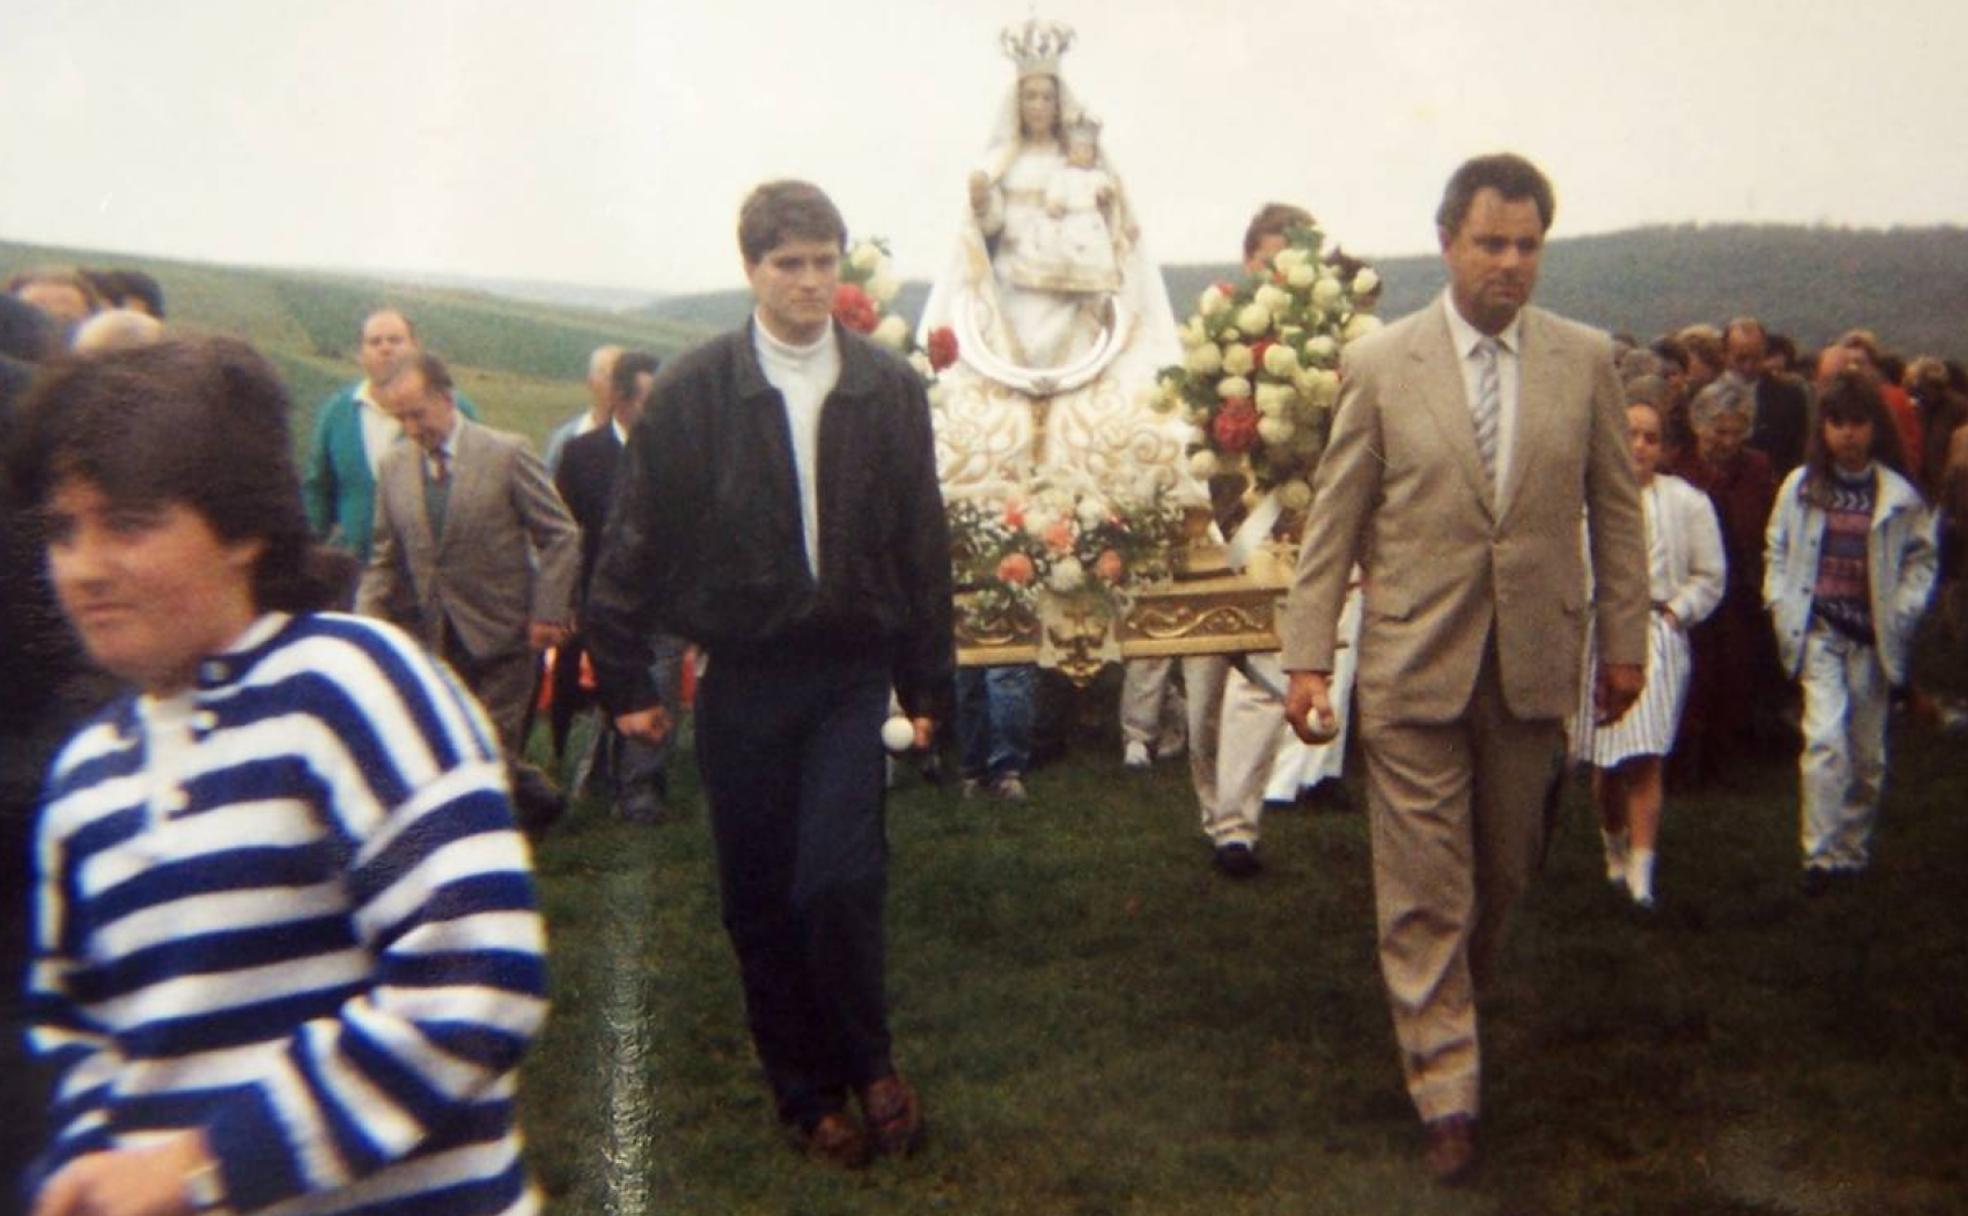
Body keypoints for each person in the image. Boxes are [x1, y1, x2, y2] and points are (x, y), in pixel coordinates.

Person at [9, 336, 547, 1216]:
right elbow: (76, 1026)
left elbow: (477, 974)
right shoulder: (86, 776)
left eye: (129, 523)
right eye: (63, 529)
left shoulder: (348, 683)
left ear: (244, 529)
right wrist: (84, 1172)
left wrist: (199, 1166)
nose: (85, 566)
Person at [1280, 153, 1649, 1183]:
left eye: (1528, 245)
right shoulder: (1383, 363)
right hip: (1412, 659)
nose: (1511, 263)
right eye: (1492, 242)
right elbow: (1335, 521)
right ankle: (1447, 1084)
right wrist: (1309, 655)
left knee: (1502, 872)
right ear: (1448, 243)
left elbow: (1616, 513)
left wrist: (1626, 640)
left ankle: (1445, 1010)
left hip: (1534, 660)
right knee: (1424, 884)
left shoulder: (1584, 360)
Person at [583, 180, 952, 1168]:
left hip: (846, 673)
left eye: (825, 261)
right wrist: (625, 681)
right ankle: (802, 1089)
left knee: (839, 874)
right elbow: (633, 539)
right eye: (789, 263)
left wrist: (926, 684)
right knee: (759, 891)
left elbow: (924, 543)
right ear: (750, 269)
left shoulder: (887, 387)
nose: (809, 281)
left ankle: (870, 1061)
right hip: (744, 674)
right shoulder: (698, 391)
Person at [918, 17, 1186, 497]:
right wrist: (983, 204)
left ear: (1058, 102)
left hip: (1073, 288)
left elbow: (1114, 222)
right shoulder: (1002, 161)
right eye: (1029, 96)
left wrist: (1105, 210)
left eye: (1045, 96)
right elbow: (989, 229)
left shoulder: (1083, 160)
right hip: (1014, 287)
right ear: (1016, 104)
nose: (1037, 106)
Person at [356, 351, 579, 836]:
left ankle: (488, 850)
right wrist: (365, 624)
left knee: (484, 749)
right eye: (400, 418)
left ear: (446, 398)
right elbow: (385, 557)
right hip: (434, 639)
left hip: (506, 634)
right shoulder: (394, 467)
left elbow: (561, 535)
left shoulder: (505, 453)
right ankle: (536, 799)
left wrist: (549, 611)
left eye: (419, 414)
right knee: (452, 744)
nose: (412, 427)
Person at [1763, 369, 1936, 894]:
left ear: (1874, 428)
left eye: (1858, 423)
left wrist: (1903, 611)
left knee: (1866, 753)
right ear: (1823, 430)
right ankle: (1819, 853)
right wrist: (1780, 600)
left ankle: (1851, 847)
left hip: (1872, 638)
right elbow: (1777, 548)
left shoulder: (1899, 497)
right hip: (1820, 631)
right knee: (1823, 738)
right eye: (1837, 424)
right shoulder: (1801, 487)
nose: (1848, 435)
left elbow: (1921, 561)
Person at [1572, 399, 1725, 909]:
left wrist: (1676, 612)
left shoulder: (1687, 502)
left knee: (1646, 754)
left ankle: (1643, 872)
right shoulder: (1585, 500)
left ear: (1666, 447)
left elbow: (1709, 575)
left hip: (1656, 631)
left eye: (1650, 438)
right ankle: (1613, 842)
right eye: (1629, 434)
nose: (1638, 446)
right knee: (1605, 764)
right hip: (1598, 632)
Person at [554, 349, 682, 822]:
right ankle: (603, 772)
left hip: (663, 601)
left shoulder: (679, 459)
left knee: (660, 682)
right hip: (603, 604)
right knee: (613, 689)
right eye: (649, 401)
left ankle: (641, 789)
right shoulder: (582, 455)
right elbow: (564, 533)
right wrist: (566, 601)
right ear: (622, 402)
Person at [301, 308, 479, 562]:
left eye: (395, 340)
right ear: (361, 354)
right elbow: (318, 487)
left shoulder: (453, 408)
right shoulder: (337, 412)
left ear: (416, 348)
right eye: (374, 342)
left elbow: (478, 486)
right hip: (357, 574)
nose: (385, 349)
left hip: (433, 574)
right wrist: (309, 550)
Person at [1680, 378, 1782, 777]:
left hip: (1740, 585)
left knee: (1735, 671)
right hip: (1690, 584)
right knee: (1694, 672)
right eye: (1718, 430)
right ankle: (1687, 758)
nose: (1727, 440)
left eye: (1737, 431)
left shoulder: (1757, 468)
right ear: (1697, 425)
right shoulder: (1680, 469)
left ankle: (1725, 756)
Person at [542, 344, 623, 476]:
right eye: (610, 378)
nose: (617, 387)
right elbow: (546, 489)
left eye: (622, 380)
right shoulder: (566, 439)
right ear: (591, 383)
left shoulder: (637, 446)